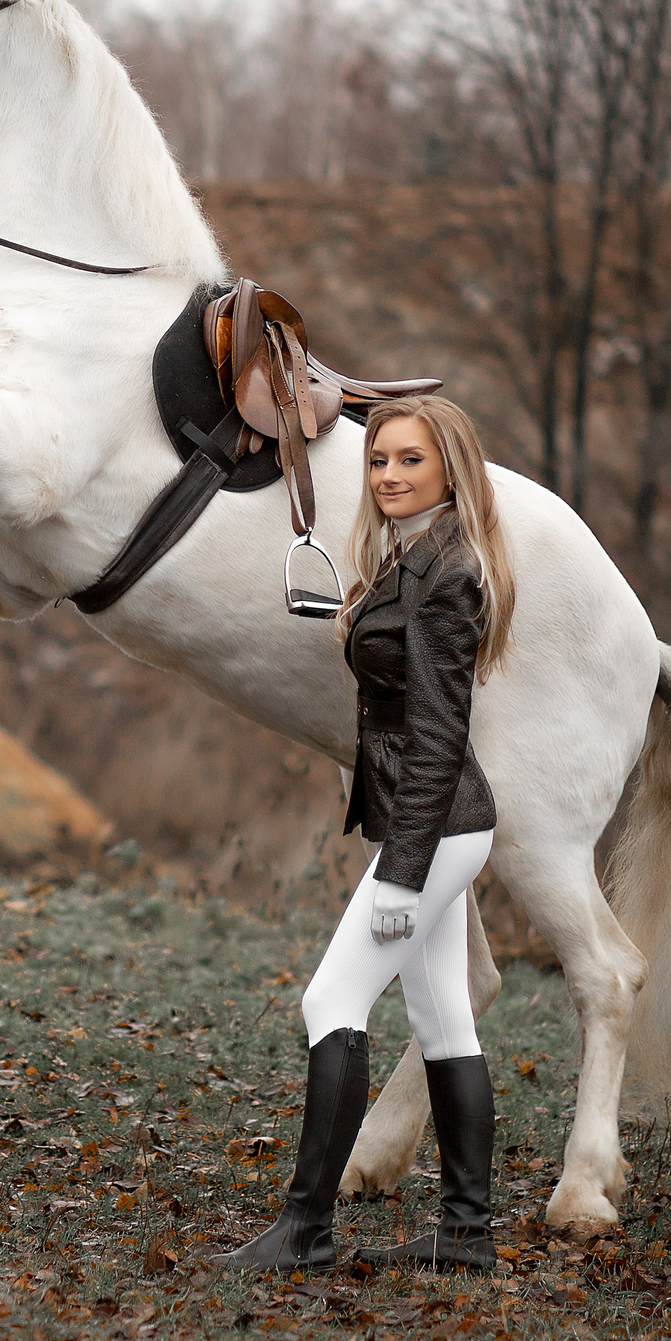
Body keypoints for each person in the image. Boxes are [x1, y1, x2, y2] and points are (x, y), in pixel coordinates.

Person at [220, 394, 515, 1274]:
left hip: (436, 826)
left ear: (449, 469)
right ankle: (466, 1235)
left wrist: (401, 875)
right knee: (442, 1019)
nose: (388, 475)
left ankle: (305, 1229)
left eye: (409, 461)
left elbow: (438, 739)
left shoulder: (449, 574)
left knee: (330, 1003)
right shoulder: (413, 557)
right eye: (380, 460)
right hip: (428, 824)